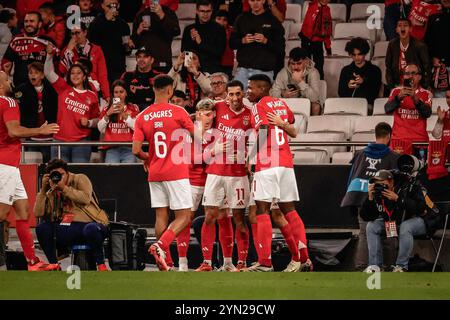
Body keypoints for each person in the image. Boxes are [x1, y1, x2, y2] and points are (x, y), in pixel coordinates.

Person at [245, 74, 310, 272]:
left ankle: (265, 262)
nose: (249, 91)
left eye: (251, 88)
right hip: (286, 163)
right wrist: (281, 124)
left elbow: (264, 129)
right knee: (289, 209)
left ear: (262, 89)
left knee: (262, 210)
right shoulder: (281, 104)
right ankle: (304, 259)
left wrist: (252, 157)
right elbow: (292, 127)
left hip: (268, 163)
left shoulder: (258, 106)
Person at [132, 75, 196, 271]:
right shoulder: (178, 111)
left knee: (161, 216)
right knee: (185, 216)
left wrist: (147, 158)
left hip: (155, 172)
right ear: (170, 91)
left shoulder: (142, 116)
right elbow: (196, 136)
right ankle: (160, 246)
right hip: (176, 171)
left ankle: (165, 262)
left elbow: (135, 150)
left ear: (154, 90)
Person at [0, 70, 59, 271]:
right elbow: (14, 131)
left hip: (9, 167)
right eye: (7, 79)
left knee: (23, 211)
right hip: (5, 165)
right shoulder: (8, 102)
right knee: (1, 215)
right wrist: (39, 130)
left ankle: (32, 261)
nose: (10, 81)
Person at [196, 80, 252, 272]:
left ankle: (240, 262)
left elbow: (261, 135)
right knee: (210, 215)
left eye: (238, 94)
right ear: (226, 95)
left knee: (238, 218)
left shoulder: (250, 114)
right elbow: (199, 115)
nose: (234, 98)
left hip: (238, 174)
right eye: (231, 94)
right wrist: (203, 135)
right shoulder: (218, 107)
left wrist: (249, 156)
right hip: (215, 172)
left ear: (243, 93)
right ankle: (207, 263)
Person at [341, 122, 400, 271]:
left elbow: (351, 178)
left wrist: (350, 198)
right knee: (389, 234)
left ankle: (362, 267)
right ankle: (389, 267)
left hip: (362, 199)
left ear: (376, 135)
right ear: (389, 136)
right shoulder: (394, 157)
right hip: (386, 202)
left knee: (364, 233)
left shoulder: (360, 154)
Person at [34, 159, 109, 271]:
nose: (59, 178)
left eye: (61, 174)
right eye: (55, 175)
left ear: (67, 173)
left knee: (91, 229)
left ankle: (101, 265)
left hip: (91, 223)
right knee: (42, 228)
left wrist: (64, 188)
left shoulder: (80, 178)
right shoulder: (52, 189)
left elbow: (85, 199)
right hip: (68, 227)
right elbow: (38, 213)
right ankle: (54, 265)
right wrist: (43, 190)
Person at [362, 169, 430, 272]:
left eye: (382, 183)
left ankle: (401, 266)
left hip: (420, 221)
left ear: (391, 181)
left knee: (405, 226)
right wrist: (370, 198)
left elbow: (421, 208)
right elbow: (366, 217)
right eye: (377, 184)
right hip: (395, 223)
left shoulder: (408, 187)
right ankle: (374, 266)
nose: (379, 186)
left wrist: (398, 199)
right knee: (371, 226)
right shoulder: (378, 193)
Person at [177, 98, 216, 271]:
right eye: (201, 114)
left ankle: (207, 262)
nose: (205, 118)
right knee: (186, 220)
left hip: (211, 181)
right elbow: (190, 160)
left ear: (214, 114)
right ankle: (182, 263)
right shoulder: (188, 132)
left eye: (209, 114)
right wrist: (212, 153)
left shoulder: (216, 132)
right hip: (191, 181)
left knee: (210, 218)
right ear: (197, 115)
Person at [45, 43, 100, 163]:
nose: (75, 75)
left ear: (84, 76)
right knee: (58, 176)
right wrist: (49, 56)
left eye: (78, 73)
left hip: (81, 142)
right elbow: (48, 73)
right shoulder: (63, 88)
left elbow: (98, 121)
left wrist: (89, 123)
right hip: (59, 140)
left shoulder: (92, 96)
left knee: (78, 176)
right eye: (72, 73)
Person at [230, 0, 285, 89]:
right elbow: (231, 44)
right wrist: (242, 41)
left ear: (263, 1)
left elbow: (280, 49)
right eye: (252, 0)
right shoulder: (241, 18)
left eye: (258, 0)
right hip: (243, 69)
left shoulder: (273, 20)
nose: (255, 3)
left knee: (260, 100)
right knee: (235, 96)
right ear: (248, 1)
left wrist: (266, 41)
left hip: (264, 70)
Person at [16, 62, 58, 163]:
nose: (32, 75)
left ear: (42, 75)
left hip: (49, 137)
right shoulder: (22, 90)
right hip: (31, 137)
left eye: (36, 72)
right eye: (30, 73)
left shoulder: (52, 90)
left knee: (48, 166)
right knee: (31, 166)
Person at [385, 63, 432, 154]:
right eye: (407, 73)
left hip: (419, 140)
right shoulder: (396, 91)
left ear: (419, 77)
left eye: (413, 73)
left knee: (420, 168)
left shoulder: (426, 93)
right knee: (396, 168)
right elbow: (387, 109)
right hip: (399, 140)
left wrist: (415, 98)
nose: (410, 76)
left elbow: (427, 113)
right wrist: (398, 98)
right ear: (403, 76)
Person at [1, 11, 55, 88]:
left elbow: (56, 64)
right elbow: (6, 63)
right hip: (21, 86)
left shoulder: (48, 41)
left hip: (43, 87)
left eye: (32, 21)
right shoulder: (16, 40)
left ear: (39, 24)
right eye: (26, 21)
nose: (28, 24)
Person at [59, 23, 110, 102]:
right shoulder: (67, 50)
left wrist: (107, 96)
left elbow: (102, 75)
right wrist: (68, 51)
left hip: (92, 89)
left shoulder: (96, 50)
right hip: (73, 89)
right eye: (73, 33)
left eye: (78, 33)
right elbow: (62, 70)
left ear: (85, 32)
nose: (75, 36)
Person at [88, 0, 131, 85]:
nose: (112, 8)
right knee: (102, 97)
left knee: (117, 97)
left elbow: (127, 50)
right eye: (109, 6)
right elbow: (92, 42)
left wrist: (129, 46)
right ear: (102, 6)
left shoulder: (123, 24)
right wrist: (107, 21)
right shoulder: (96, 23)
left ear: (118, 6)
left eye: (114, 5)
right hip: (100, 68)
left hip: (118, 68)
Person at [131, 0, 180, 73]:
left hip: (163, 64)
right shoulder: (141, 14)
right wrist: (138, 31)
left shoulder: (168, 12)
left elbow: (176, 31)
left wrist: (162, 15)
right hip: (144, 65)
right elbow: (133, 44)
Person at [98, 80, 140, 163]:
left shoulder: (134, 108)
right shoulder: (107, 109)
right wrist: (108, 114)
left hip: (129, 149)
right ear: (113, 94)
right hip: (112, 149)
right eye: (116, 92)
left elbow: (136, 128)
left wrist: (123, 113)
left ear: (126, 93)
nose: (119, 95)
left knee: (128, 174)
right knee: (112, 174)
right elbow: (100, 128)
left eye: (121, 92)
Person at [271, 47, 321, 115]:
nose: (296, 67)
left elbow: (315, 98)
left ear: (306, 61)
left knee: (316, 106)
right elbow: (273, 94)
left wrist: (300, 82)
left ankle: (313, 125)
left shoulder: (313, 72)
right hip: (289, 102)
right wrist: (283, 94)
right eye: (293, 64)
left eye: (299, 63)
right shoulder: (283, 72)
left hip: (307, 102)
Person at [181, 0, 227, 74]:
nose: (205, 14)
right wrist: (192, 41)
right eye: (202, 11)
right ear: (197, 11)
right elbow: (184, 51)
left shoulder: (219, 29)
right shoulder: (189, 29)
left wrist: (200, 43)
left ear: (212, 11)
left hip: (213, 71)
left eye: (208, 11)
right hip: (192, 71)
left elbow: (219, 52)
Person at [386, 18, 430, 90]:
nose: (402, 28)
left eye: (405, 25)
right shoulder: (392, 44)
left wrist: (423, 87)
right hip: (398, 86)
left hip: (416, 87)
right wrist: (391, 87)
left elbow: (427, 68)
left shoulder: (420, 46)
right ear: (396, 29)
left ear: (410, 29)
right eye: (399, 26)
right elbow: (388, 67)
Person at [338, 37, 382, 106]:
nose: (356, 57)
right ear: (350, 55)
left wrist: (363, 82)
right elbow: (340, 93)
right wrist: (348, 87)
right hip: (348, 105)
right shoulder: (345, 70)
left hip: (367, 105)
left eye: (359, 54)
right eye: (354, 55)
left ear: (365, 53)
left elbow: (374, 93)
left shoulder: (374, 70)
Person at [299, 0, 332, 80]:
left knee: (319, 68)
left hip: (318, 42)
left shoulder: (327, 10)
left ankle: (320, 88)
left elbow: (327, 30)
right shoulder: (313, 4)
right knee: (305, 68)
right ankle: (304, 89)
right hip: (306, 40)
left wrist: (328, 48)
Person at [120, 46, 160, 111]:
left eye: (145, 57)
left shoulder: (159, 76)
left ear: (152, 60)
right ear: (136, 59)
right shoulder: (127, 76)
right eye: (139, 57)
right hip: (130, 112)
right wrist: (146, 97)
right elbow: (119, 95)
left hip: (153, 112)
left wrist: (136, 95)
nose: (141, 59)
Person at [425, 0, 450, 98]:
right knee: (440, 106)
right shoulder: (433, 18)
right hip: (439, 69)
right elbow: (427, 43)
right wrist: (432, 58)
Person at [214, 10, 235, 79]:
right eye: (219, 19)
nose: (221, 22)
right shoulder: (210, 30)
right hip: (215, 63)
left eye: (224, 20)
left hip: (228, 63)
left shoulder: (232, 31)